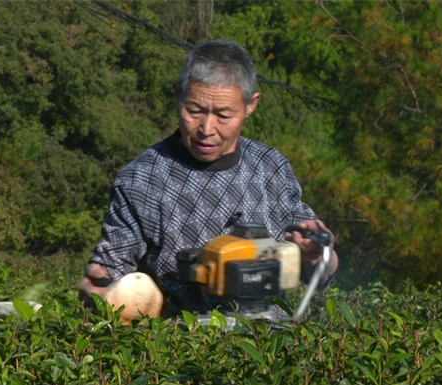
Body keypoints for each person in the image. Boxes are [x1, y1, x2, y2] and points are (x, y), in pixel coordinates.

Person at [79, 39, 339, 318]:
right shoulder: (141, 180)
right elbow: (107, 277)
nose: (206, 129)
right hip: (184, 350)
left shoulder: (270, 168)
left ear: (251, 105)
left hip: (273, 350)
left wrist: (316, 255)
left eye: (223, 115)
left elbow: (322, 272)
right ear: (178, 94)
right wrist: (101, 290)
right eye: (195, 111)